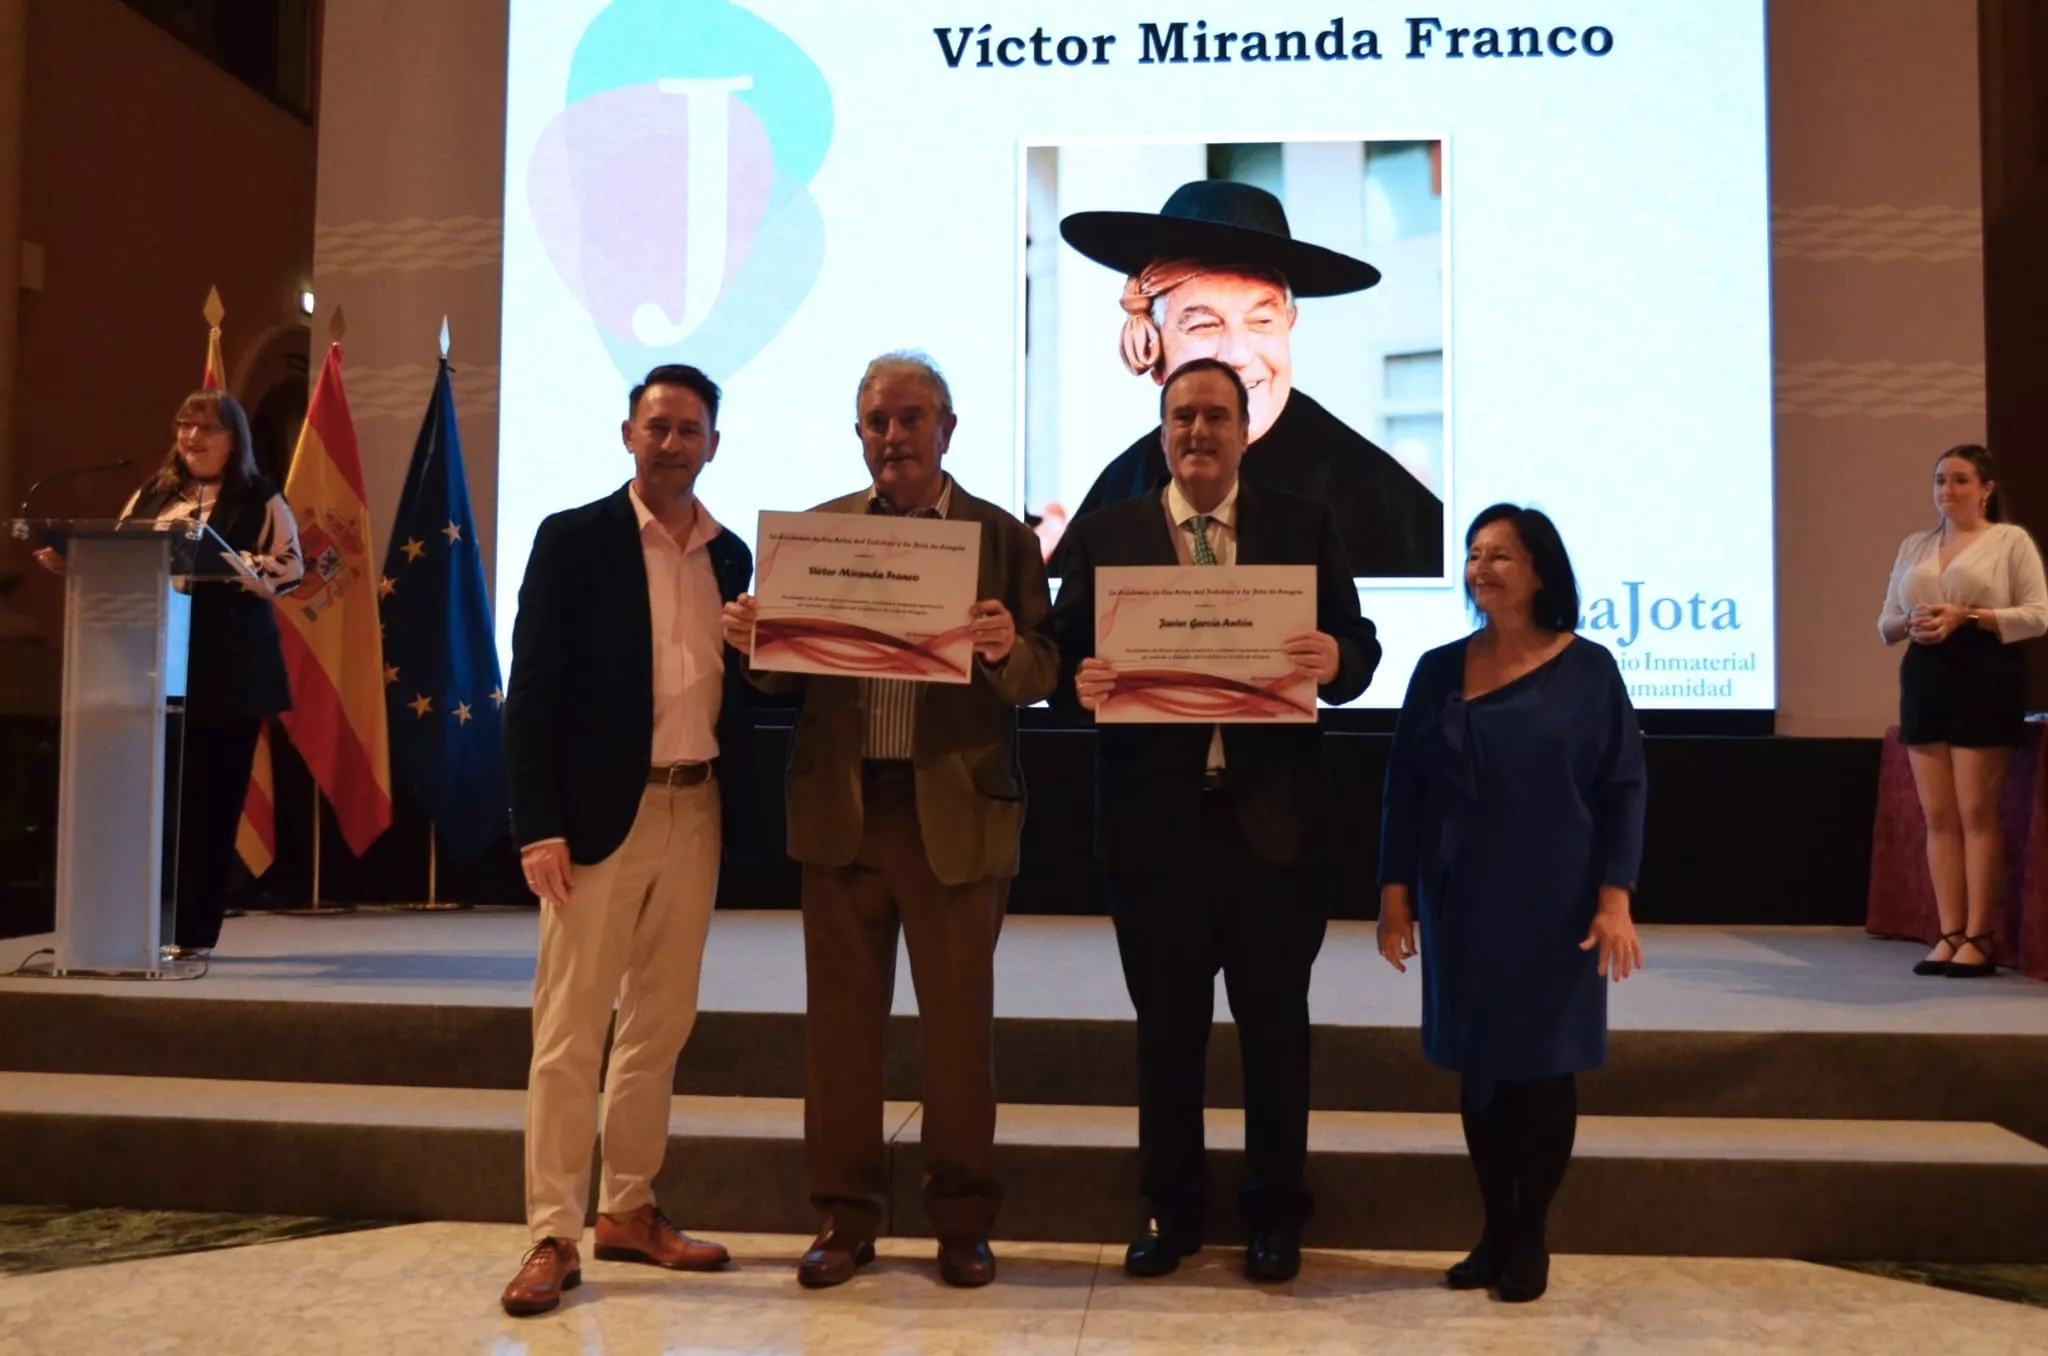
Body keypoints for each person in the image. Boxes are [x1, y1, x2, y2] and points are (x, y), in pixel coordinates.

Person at [720, 351, 1057, 1289]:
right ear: (858, 433)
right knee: (838, 1040)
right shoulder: (816, 536)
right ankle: (845, 1219)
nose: (894, 437)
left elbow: (1042, 673)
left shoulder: (1001, 539)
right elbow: (780, 676)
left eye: (912, 419)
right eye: (877, 422)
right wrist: (754, 643)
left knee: (957, 1040)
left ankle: (961, 1222)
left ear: (948, 429)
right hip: (843, 813)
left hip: (954, 813)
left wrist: (1002, 650)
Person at [1049, 357, 1380, 1283]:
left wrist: (1334, 657)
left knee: (1277, 1030)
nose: (1199, 432)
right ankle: (1172, 1210)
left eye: (1216, 417)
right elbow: (1063, 662)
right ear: (1163, 431)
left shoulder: (1301, 525)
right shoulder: (1110, 532)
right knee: (1167, 1031)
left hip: (1273, 830)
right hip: (1156, 830)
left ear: (1244, 430)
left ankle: (1277, 1216)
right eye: (1183, 416)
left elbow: (1361, 649)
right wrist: (1079, 688)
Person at [498, 364, 757, 1316]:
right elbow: (530, 696)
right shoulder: (573, 540)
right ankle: (550, 1235)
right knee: (570, 1031)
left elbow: (750, 689)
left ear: (712, 445)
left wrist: (763, 646)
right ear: (627, 434)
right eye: (658, 427)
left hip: (698, 807)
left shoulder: (732, 558)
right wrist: (539, 825)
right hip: (597, 819)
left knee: (660, 1024)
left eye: (690, 430)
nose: (672, 443)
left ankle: (630, 1209)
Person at [1375, 504, 1647, 1304]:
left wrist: (1615, 898)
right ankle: (1494, 1229)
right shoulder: (1437, 669)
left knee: (1544, 1069)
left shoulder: (1590, 669)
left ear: (1540, 571)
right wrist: (1396, 897)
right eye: (1474, 553)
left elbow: (1624, 787)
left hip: (1558, 901)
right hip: (1460, 898)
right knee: (1481, 1069)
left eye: (1502, 555)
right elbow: (1403, 790)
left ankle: (1532, 1237)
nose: (1483, 567)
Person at [1052, 179, 1443, 578]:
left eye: (1261, 321)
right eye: (1204, 325)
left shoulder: (1377, 500)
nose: (1238, 355)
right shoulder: (1119, 489)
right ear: (1153, 347)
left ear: (1289, 324)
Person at [34, 390, 302, 959]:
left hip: (227, 673)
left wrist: (225, 562)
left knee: (208, 806)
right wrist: (74, 559)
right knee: (153, 803)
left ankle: (193, 933)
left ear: (234, 440)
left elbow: (291, 569)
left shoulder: (259, 497)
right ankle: (139, 926)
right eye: (184, 425)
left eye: (206, 428)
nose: (192, 437)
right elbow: (123, 553)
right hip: (148, 669)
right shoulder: (154, 492)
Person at [1878, 444, 2048, 979]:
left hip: (1986, 674)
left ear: (1986, 488)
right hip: (1925, 675)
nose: (1947, 491)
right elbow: (1885, 623)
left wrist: (1967, 615)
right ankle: (1949, 933)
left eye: (1960, 481)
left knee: (1977, 814)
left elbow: (2037, 616)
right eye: (1939, 481)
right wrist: (1913, 622)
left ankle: (1980, 935)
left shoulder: (2009, 541)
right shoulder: (1915, 544)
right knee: (1939, 817)